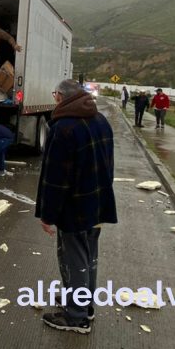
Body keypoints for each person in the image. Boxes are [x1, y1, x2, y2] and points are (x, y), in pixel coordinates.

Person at [35, 79, 117, 334]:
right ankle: (85, 305)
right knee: (89, 257)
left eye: (55, 95)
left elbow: (55, 178)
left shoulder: (63, 128)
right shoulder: (101, 120)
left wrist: (47, 214)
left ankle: (76, 317)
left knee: (74, 261)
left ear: (60, 97)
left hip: (75, 207)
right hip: (98, 201)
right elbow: (109, 163)